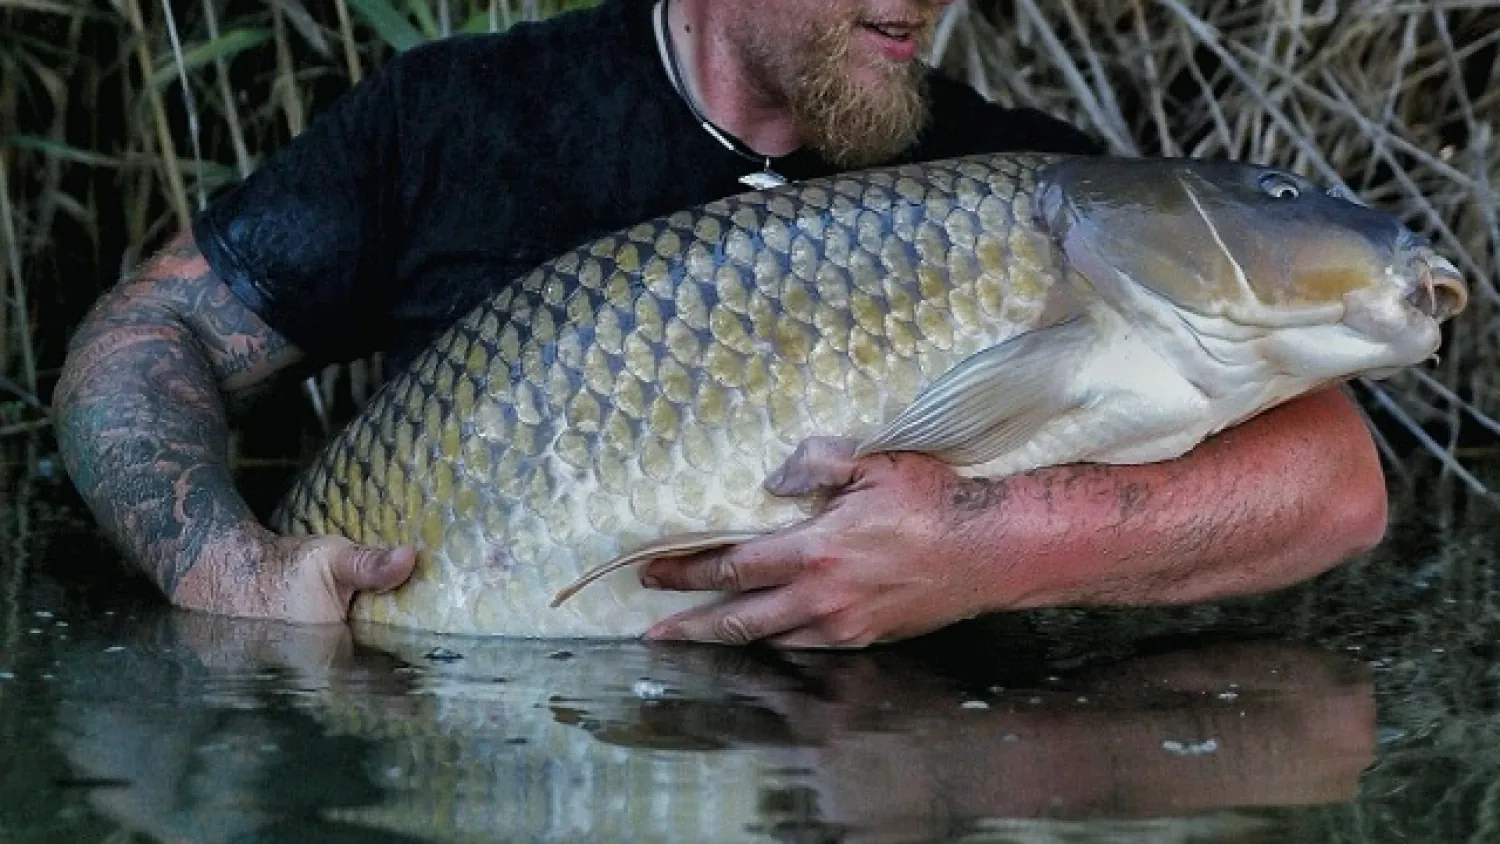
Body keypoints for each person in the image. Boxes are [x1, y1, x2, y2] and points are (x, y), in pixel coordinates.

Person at [53, 0, 1387, 647]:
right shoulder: (458, 120)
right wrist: (231, 578)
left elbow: (1339, 488)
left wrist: (997, 551)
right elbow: (139, 349)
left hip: (892, 780)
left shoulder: (1017, 182)